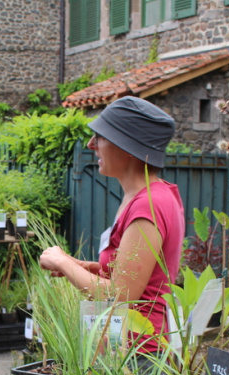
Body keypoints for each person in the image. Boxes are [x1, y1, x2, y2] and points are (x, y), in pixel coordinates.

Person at [39, 96, 185, 359]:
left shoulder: (148, 206)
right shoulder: (148, 197)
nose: (91, 144)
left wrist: (62, 262)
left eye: (100, 137)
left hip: (138, 358)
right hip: (124, 350)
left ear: (127, 146)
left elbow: (121, 296)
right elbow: (141, 275)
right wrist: (89, 268)